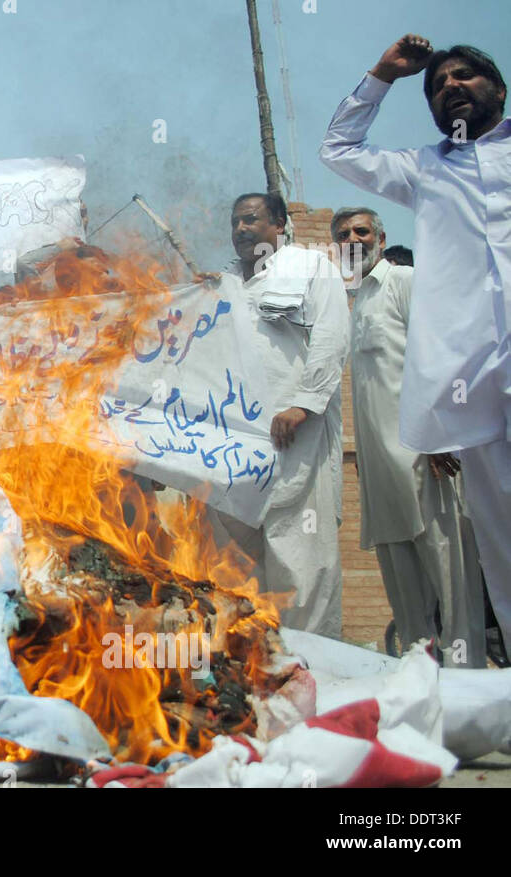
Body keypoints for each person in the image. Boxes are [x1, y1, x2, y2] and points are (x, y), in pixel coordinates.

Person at [320, 35, 511, 646]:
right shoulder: (424, 170)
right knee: (501, 536)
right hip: (475, 384)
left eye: (465, 77)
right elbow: (340, 147)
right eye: (438, 84)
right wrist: (383, 74)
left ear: (499, 91)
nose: (450, 85)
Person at [334, 206, 484, 664]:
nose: (353, 239)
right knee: (404, 589)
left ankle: (469, 687)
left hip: (423, 461)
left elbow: (439, 354)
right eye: (343, 234)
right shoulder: (359, 302)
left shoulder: (403, 282)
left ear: (380, 239)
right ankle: (420, 684)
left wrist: (439, 435)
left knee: (452, 583)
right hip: (382, 476)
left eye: (362, 231)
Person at [208, 192, 349, 637]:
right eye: (234, 222)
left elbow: (331, 335)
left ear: (280, 225)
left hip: (294, 435)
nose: (240, 229)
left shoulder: (310, 268)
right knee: (234, 563)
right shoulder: (219, 284)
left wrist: (303, 405)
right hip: (233, 445)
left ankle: (315, 665)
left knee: (299, 554)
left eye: (251, 219)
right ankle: (254, 668)